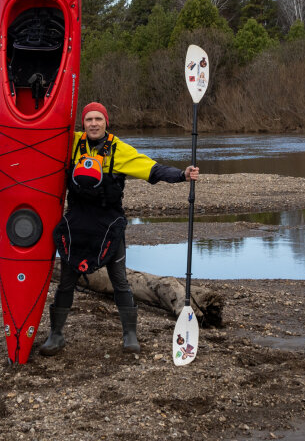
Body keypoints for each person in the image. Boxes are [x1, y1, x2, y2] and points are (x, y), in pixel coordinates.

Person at [40, 101, 199, 356]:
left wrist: (182, 175)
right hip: (77, 223)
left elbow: (152, 169)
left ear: (106, 122)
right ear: (83, 123)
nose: (93, 124)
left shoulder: (119, 150)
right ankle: (55, 335)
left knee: (120, 281)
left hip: (108, 224)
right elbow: (42, 136)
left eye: (98, 119)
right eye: (89, 120)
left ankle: (130, 335)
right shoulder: (70, 143)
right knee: (66, 282)